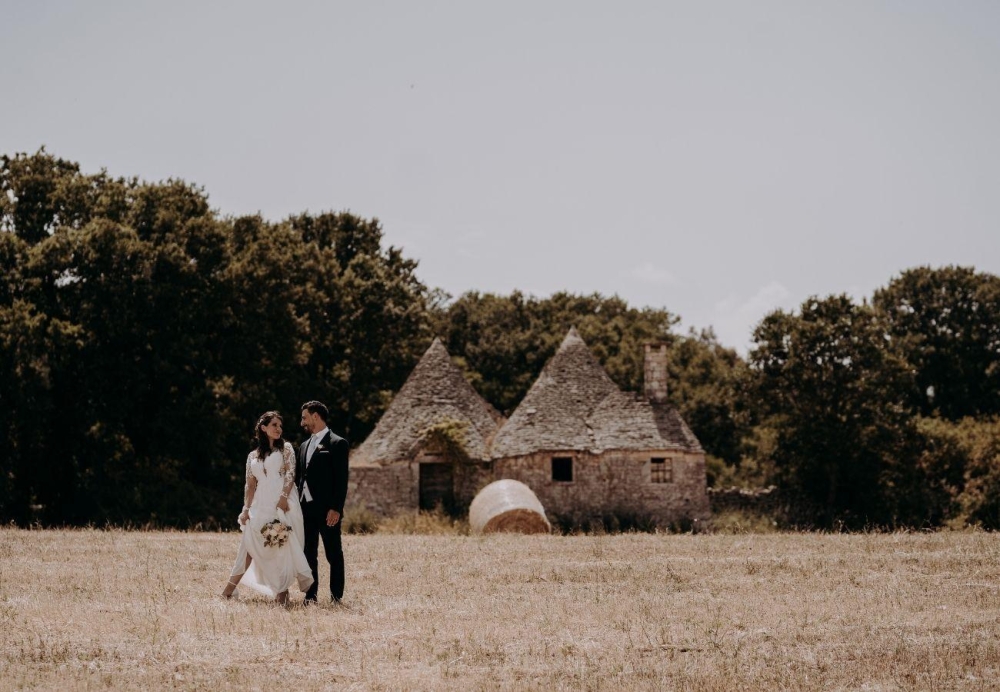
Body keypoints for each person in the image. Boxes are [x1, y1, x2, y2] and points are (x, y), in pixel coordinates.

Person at [222, 411, 313, 604]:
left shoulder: (286, 449)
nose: (279, 429)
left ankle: (282, 593)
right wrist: (245, 509)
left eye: (280, 426)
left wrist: (283, 498)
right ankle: (228, 590)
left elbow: (291, 475)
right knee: (248, 545)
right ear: (263, 428)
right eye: (274, 425)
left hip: (281, 503)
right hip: (259, 504)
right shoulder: (252, 456)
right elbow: (250, 485)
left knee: (279, 544)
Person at [297, 400, 349, 604]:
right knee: (308, 553)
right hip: (305, 509)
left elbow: (341, 480)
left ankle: (336, 596)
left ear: (315, 416)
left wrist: (336, 508)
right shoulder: (303, 446)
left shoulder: (337, 443)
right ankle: (311, 596)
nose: (302, 422)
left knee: (333, 553)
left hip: (328, 510)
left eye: (304, 418)